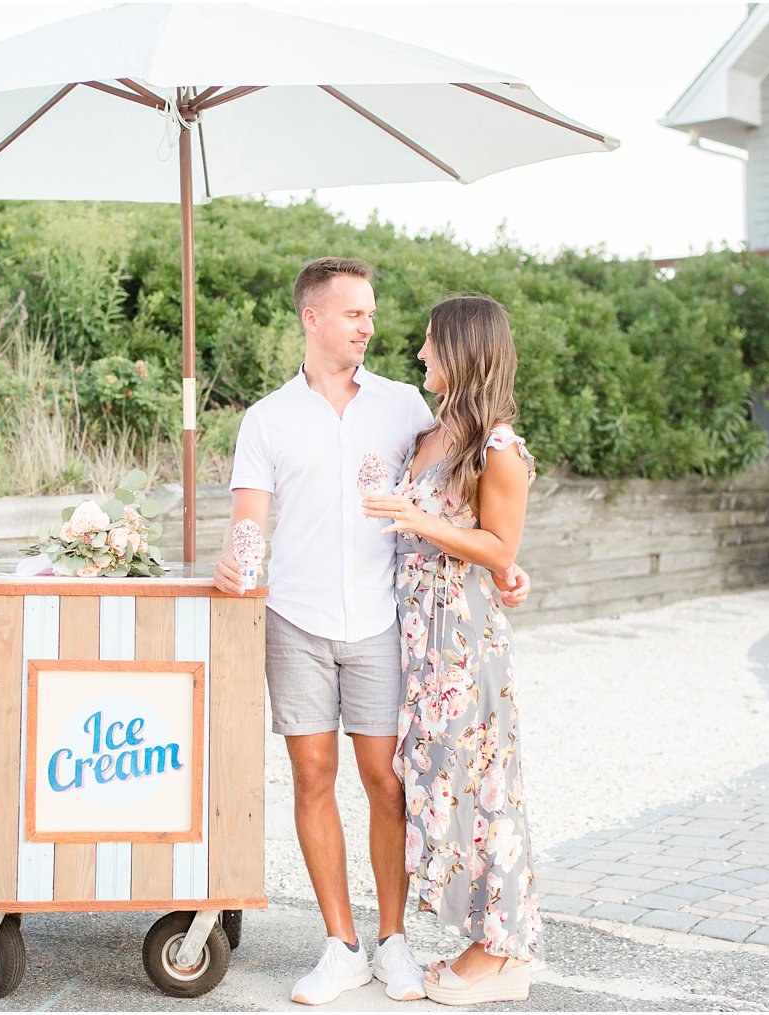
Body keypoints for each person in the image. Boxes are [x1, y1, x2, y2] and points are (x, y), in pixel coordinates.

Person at [214, 258, 530, 1006]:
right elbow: (249, 522)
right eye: (355, 313)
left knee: (387, 782)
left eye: (374, 314)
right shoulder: (267, 418)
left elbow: (472, 487)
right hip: (294, 619)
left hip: (387, 624)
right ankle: (340, 946)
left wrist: (512, 566)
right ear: (312, 318)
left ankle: (394, 941)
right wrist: (234, 562)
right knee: (312, 777)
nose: (370, 327)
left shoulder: (405, 407)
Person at [361, 295, 540, 1006]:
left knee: (486, 790)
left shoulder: (499, 448)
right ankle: (479, 940)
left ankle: (504, 954)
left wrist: (416, 518)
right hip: (416, 639)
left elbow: (502, 549)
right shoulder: (429, 438)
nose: (420, 355)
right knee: (439, 789)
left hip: (464, 646)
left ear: (462, 352)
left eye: (431, 345)